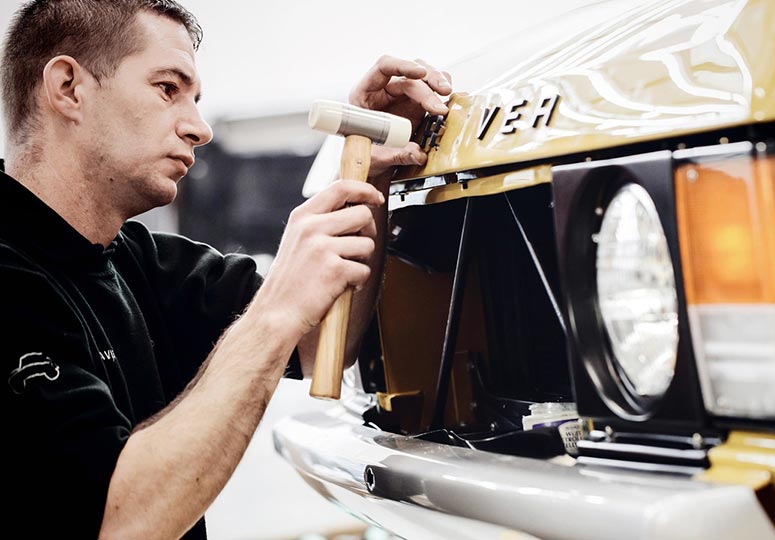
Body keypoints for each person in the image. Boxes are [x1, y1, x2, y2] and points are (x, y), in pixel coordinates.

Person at [0, 1, 452, 538]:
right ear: (68, 87)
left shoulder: (140, 262)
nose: (200, 129)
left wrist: (365, 178)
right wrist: (275, 311)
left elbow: (320, 344)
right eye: (168, 88)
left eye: (196, 100)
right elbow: (121, 523)